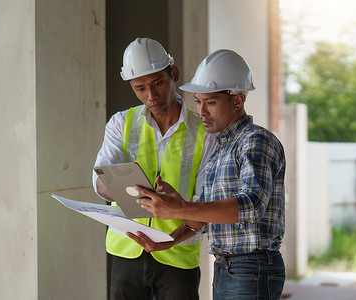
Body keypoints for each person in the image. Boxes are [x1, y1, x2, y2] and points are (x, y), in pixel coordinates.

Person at [135, 49, 286, 299]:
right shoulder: (221, 148)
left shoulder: (255, 140)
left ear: (237, 101)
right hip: (228, 267)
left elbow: (251, 206)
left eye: (211, 102)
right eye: (198, 101)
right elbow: (203, 217)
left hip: (251, 265)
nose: (202, 111)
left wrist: (180, 208)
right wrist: (169, 239)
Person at [92, 37, 217, 300]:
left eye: (157, 83)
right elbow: (100, 180)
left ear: (174, 74)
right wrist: (130, 189)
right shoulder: (120, 124)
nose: (151, 96)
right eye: (140, 88)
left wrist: (173, 231)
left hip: (177, 253)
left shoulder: (206, 134)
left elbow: (206, 204)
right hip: (126, 250)